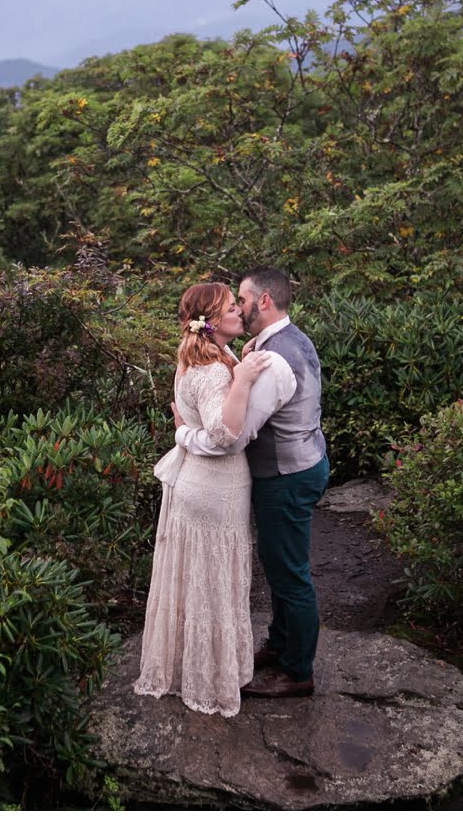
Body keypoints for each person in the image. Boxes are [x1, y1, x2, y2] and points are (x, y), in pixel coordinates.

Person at [133, 282, 292, 716]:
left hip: (200, 484)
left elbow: (199, 425)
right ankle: (211, 680)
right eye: (230, 309)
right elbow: (225, 436)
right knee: (212, 583)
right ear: (210, 321)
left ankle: (195, 668)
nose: (239, 313)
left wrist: (184, 430)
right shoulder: (215, 371)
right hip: (214, 490)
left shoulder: (202, 359)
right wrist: (241, 381)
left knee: (196, 581)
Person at [174, 267, 328, 698]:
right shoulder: (284, 340)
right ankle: (281, 645)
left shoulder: (276, 358)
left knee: (289, 573)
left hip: (286, 476)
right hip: (300, 463)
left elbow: (235, 436)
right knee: (281, 567)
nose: (238, 308)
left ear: (262, 301)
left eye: (241, 299)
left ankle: (298, 671)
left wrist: (183, 433)